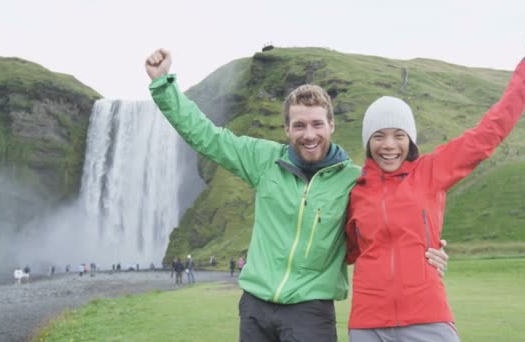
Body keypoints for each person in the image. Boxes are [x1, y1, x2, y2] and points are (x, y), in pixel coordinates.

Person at [145, 49, 448, 341]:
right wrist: (163, 84)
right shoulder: (263, 160)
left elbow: (396, 212)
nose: (309, 134)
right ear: (287, 129)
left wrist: (431, 247)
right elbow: (206, 136)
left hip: (311, 311)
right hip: (255, 307)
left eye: (317, 124)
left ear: (332, 125)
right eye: (299, 125)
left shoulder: (355, 180)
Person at [345, 31, 525, 341]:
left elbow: (489, 132)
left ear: (410, 140)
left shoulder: (431, 171)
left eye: (398, 135)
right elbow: (342, 250)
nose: (389, 146)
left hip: (427, 316)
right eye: (379, 136)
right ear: (367, 142)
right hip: (367, 324)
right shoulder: (353, 189)